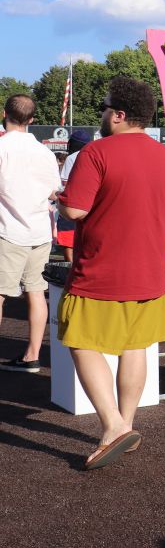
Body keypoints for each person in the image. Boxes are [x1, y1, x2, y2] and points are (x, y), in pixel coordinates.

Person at [55, 78, 165, 469]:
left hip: (101, 267)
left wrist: (59, 202)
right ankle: (126, 424)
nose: (103, 115)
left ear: (120, 114)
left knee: (78, 338)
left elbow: (75, 211)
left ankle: (112, 426)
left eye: (106, 108)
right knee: (135, 346)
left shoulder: (97, 153)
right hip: (148, 270)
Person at [0, 95, 61, 373]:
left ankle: (30, 357)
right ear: (32, 120)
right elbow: (53, 192)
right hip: (39, 231)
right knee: (36, 292)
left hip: (8, 230)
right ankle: (32, 356)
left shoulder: (2, 147)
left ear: (5, 114)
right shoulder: (45, 153)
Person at [55, 128, 93, 265]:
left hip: (74, 204)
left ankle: (70, 269)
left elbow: (64, 184)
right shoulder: (96, 153)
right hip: (91, 205)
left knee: (69, 240)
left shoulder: (72, 157)